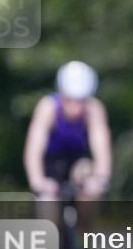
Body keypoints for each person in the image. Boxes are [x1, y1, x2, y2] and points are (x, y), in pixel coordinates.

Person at [24, 61, 112, 205]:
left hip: (77, 165)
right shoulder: (48, 108)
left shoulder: (94, 110)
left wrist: (100, 179)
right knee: (47, 203)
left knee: (88, 193)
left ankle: (85, 226)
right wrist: (38, 181)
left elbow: (102, 148)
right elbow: (33, 150)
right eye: (70, 100)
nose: (76, 107)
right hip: (50, 166)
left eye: (81, 101)